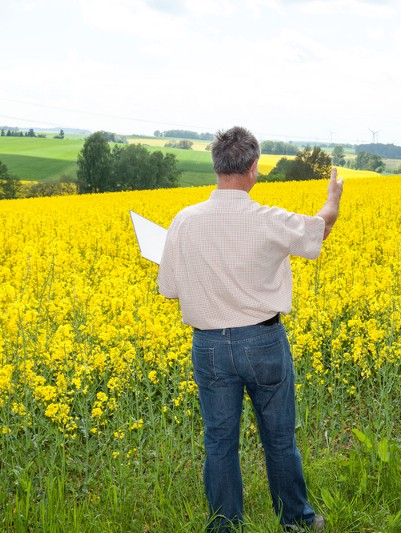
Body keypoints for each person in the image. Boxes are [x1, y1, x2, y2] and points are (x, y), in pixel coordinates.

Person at [157, 126, 342, 532]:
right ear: (253, 168)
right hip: (262, 341)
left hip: (208, 346)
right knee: (279, 439)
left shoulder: (184, 221)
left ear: (216, 167)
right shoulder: (267, 220)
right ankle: (296, 521)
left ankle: (224, 526)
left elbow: (168, 288)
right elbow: (319, 229)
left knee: (220, 443)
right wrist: (333, 201)